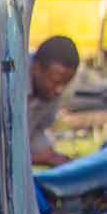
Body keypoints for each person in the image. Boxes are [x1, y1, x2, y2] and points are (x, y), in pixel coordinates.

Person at [28, 35, 80, 168]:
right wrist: (40, 158)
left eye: (66, 83)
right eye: (56, 82)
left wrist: (52, 156)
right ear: (36, 67)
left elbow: (35, 131)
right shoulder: (7, 87)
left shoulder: (49, 92)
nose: (59, 90)